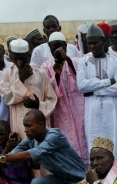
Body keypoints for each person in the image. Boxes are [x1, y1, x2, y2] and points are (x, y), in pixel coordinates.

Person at [77, 24, 117, 162]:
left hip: (112, 114)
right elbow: (81, 86)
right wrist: (106, 82)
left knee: (115, 143)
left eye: (95, 42)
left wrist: (94, 91)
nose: (92, 46)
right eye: (89, 43)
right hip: (93, 115)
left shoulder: (115, 62)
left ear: (104, 42)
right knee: (94, 144)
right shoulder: (83, 62)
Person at [40, 32, 88, 165]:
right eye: (54, 47)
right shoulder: (46, 66)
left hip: (81, 110)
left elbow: (82, 82)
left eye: (60, 47)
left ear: (65, 46)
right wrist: (57, 75)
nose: (57, 50)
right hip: (61, 113)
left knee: (86, 140)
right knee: (68, 142)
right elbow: (47, 90)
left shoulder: (77, 62)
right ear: (49, 48)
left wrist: (67, 60)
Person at [0, 39, 57, 139]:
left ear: (29, 55)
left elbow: (52, 99)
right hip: (19, 124)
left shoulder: (41, 74)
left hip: (39, 123)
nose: (19, 62)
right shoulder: (7, 74)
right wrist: (21, 79)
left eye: (22, 58)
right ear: (11, 56)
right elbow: (6, 97)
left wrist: (38, 105)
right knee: (22, 150)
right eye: (16, 58)